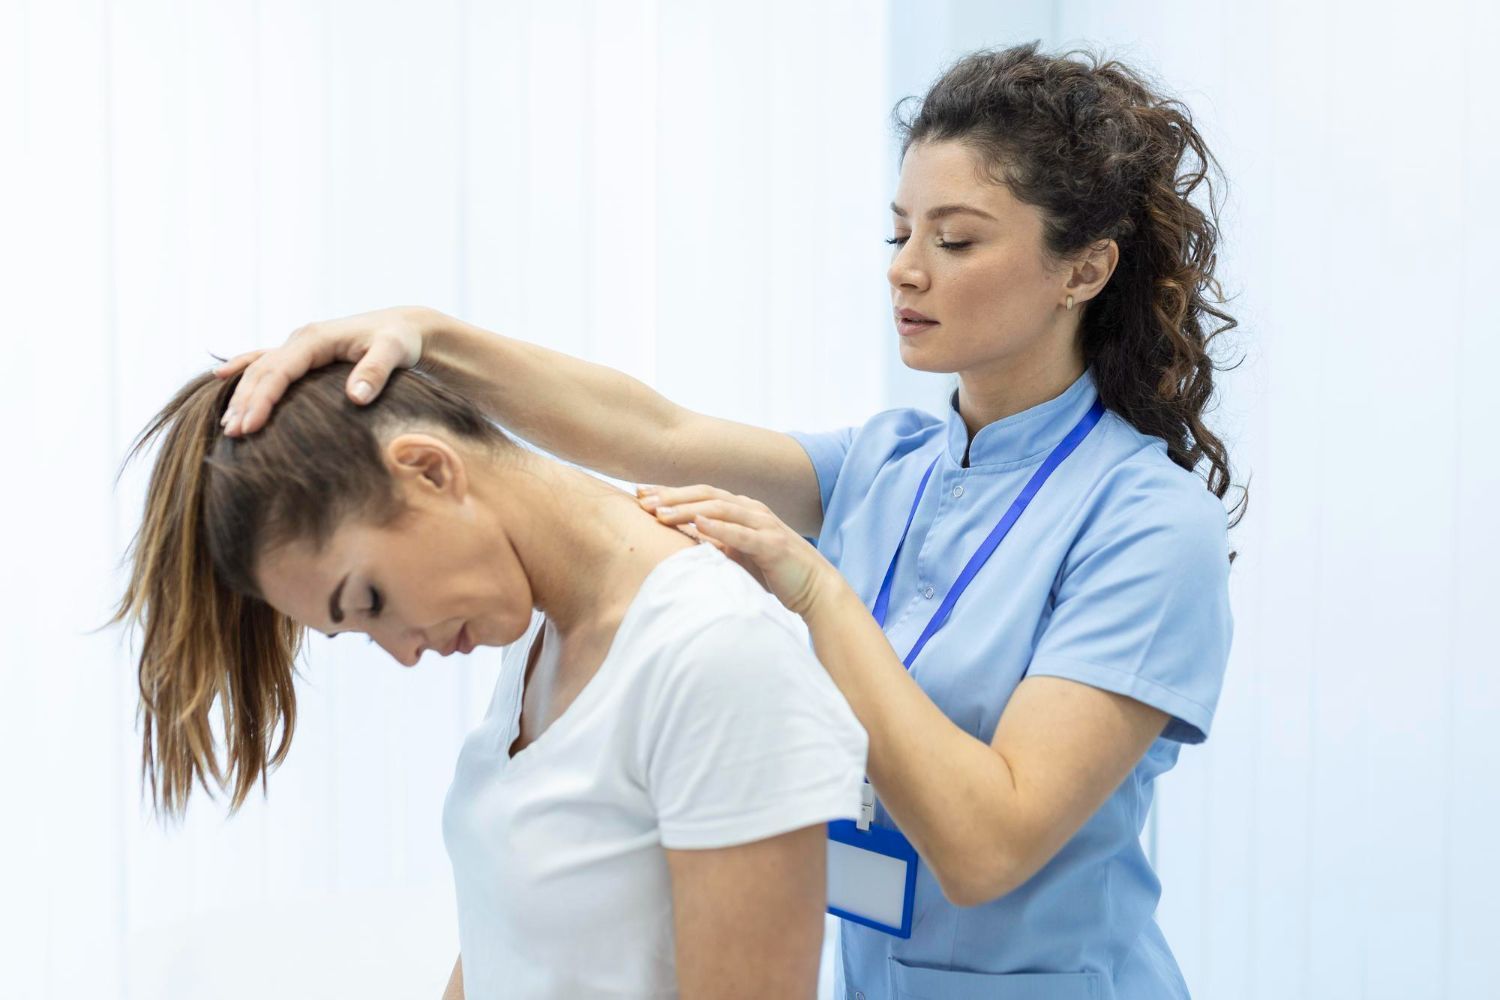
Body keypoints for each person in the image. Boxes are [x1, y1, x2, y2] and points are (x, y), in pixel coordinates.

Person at [218, 42, 1240, 1000]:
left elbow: (987, 844)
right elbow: (651, 429)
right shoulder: (894, 463)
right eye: (899, 231)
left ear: (1085, 269)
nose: (905, 268)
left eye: (955, 238)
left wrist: (810, 587)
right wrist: (421, 337)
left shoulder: (1150, 527)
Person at [114, 363, 868, 999]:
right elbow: (512, 948)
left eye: (371, 601)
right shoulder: (544, 637)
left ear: (430, 470)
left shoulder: (712, 655)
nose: (401, 654)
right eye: (357, 632)